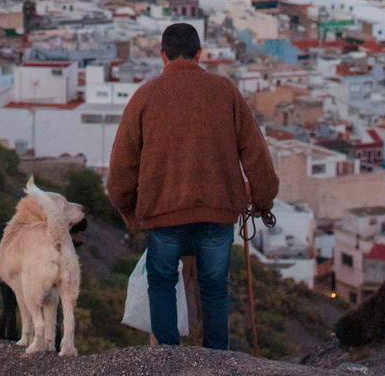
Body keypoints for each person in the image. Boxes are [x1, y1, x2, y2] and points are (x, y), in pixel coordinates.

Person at [107, 22, 278, 350]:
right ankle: (215, 358)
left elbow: (122, 165)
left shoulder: (145, 95)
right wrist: (263, 198)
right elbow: (255, 151)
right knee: (214, 286)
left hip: (163, 212)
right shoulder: (224, 91)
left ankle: (168, 358)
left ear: (162, 55)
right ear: (200, 54)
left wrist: (127, 207)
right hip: (217, 210)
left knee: (161, 283)